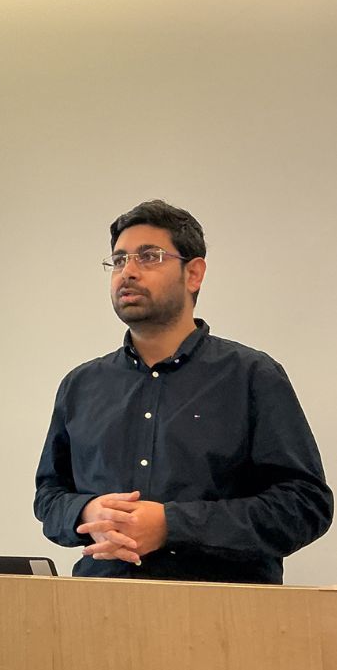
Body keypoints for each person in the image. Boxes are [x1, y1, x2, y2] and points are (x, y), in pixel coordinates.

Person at [33, 200, 332, 584]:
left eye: (149, 257)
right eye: (119, 260)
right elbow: (49, 497)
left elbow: (304, 506)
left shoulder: (252, 376)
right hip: (99, 608)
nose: (129, 272)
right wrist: (86, 512)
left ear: (194, 274)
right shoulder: (80, 385)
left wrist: (171, 525)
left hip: (225, 614)